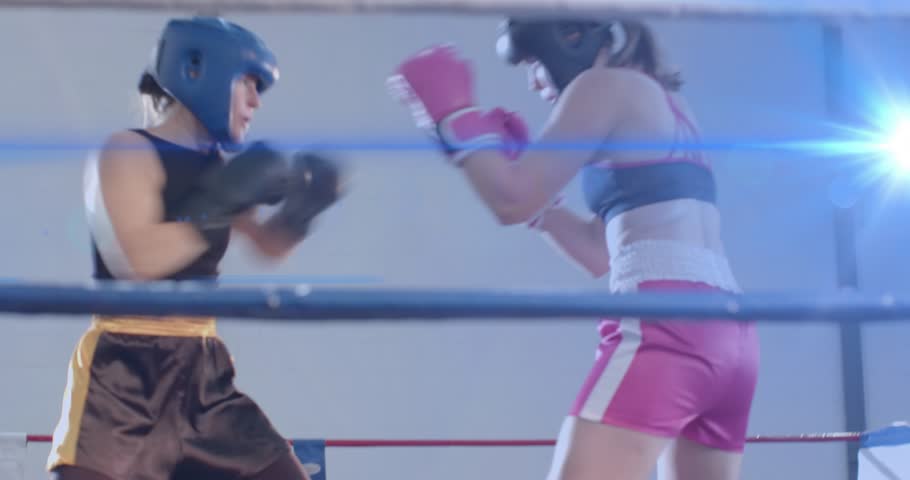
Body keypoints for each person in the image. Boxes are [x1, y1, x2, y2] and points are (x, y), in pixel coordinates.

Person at [387, 18, 759, 480]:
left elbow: (511, 198)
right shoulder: (667, 102)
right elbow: (597, 253)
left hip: (667, 321)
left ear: (571, 38)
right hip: (732, 333)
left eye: (534, 64)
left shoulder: (602, 85)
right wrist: (545, 208)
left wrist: (453, 119)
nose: (533, 81)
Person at [47, 16, 342, 480]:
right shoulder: (128, 151)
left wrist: (304, 209)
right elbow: (138, 260)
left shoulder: (220, 169)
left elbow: (268, 247)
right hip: (125, 373)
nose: (255, 102)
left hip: (204, 374)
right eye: (248, 83)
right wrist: (221, 203)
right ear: (200, 69)